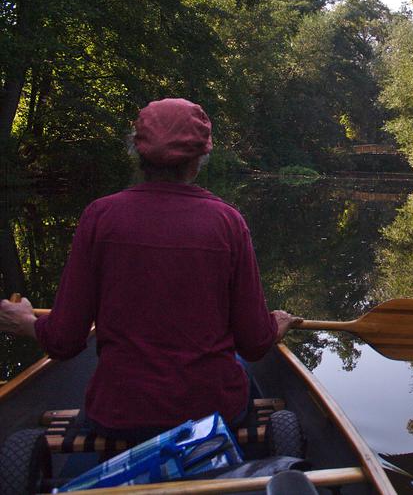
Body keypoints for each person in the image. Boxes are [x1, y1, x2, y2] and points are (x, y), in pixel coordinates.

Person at [0, 97, 298, 442]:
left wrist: (27, 324)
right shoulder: (227, 222)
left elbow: (65, 342)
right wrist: (273, 327)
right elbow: (253, 345)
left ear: (137, 152)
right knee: (240, 375)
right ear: (200, 158)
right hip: (214, 411)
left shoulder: (100, 217)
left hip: (118, 413)